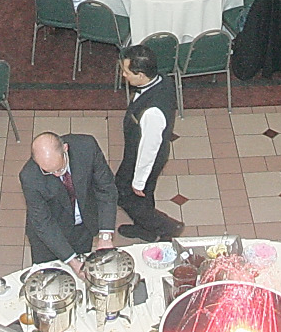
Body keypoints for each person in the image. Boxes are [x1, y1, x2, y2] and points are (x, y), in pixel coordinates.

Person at [115, 44, 185, 241]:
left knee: (124, 192)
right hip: (145, 150)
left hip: (145, 155)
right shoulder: (162, 80)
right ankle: (145, 230)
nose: (123, 75)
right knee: (145, 193)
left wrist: (139, 180)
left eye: (127, 72)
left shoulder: (153, 112)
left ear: (141, 75)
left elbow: (149, 149)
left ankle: (167, 227)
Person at [21, 131, 118, 264]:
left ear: (65, 148)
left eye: (59, 169)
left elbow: (106, 189)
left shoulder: (87, 147)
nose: (56, 175)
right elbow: (43, 222)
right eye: (48, 172)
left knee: (83, 262)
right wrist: (71, 260)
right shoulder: (29, 176)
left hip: (83, 227)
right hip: (50, 236)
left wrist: (105, 236)